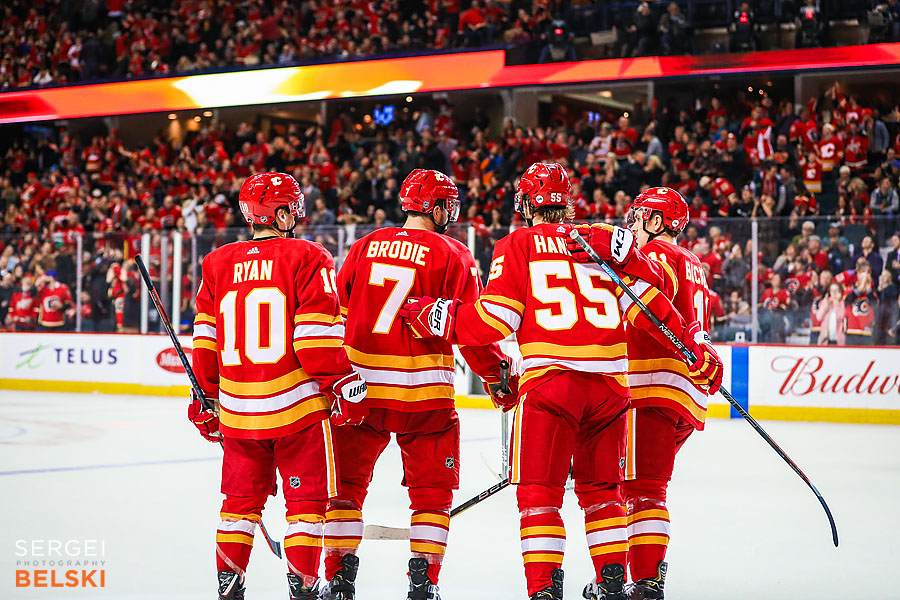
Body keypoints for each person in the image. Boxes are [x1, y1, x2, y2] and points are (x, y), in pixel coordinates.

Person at [400, 163, 723, 600]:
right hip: (612, 390)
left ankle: (545, 589)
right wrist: (691, 340)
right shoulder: (598, 240)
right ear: (566, 203)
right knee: (604, 493)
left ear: (527, 204)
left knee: (540, 494)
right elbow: (645, 305)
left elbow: (494, 320)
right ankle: (612, 579)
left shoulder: (517, 243)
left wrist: (441, 318)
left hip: (551, 385)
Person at [321, 169, 515, 600]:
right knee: (432, 498)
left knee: (346, 491)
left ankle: (338, 578)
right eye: (449, 204)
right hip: (423, 395)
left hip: (360, 391)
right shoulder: (454, 253)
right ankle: (423, 583)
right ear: (437, 207)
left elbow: (336, 314)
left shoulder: (364, 246)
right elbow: (471, 329)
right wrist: (496, 375)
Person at [189, 172, 368, 600]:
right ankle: (303, 588)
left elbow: (205, 342)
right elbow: (314, 342)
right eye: (293, 207)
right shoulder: (308, 256)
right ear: (282, 212)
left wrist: (204, 398)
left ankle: (229, 586)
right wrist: (344, 383)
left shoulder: (216, 263)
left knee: (238, 505)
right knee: (305, 508)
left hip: (236, 411)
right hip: (297, 411)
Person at [586, 187, 716, 600]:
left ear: (657, 222)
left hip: (650, 388)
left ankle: (644, 583)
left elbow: (644, 310)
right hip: (684, 395)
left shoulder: (657, 255)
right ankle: (646, 578)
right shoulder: (693, 262)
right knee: (646, 487)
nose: (634, 226)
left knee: (641, 491)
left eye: (640, 217)